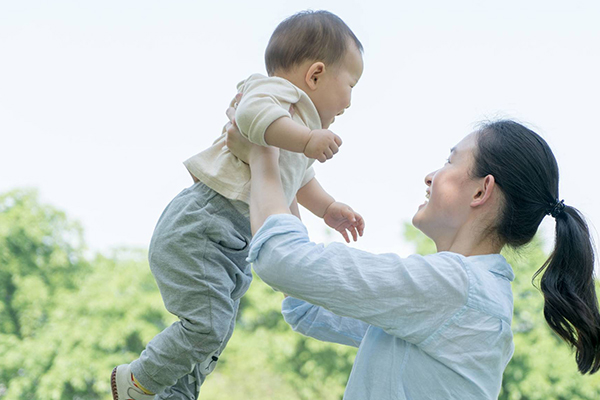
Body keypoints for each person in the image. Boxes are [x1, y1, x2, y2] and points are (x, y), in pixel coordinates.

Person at [225, 116, 600, 399]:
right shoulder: (464, 294)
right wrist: (286, 167)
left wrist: (263, 152)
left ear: (481, 191)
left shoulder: (457, 289)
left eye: (451, 162)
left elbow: (281, 261)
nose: (430, 175)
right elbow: (306, 306)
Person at [111, 10, 365, 400]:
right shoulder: (276, 92)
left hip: (228, 249)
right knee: (207, 326)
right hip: (200, 228)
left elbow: (298, 182)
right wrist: (308, 139)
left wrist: (328, 208)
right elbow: (251, 115)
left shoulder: (295, 134)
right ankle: (137, 380)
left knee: (215, 331)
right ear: (315, 75)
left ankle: (172, 394)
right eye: (351, 84)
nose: (351, 99)